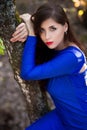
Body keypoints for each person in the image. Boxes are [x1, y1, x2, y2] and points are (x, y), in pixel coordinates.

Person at [10, 2, 87, 130]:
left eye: (53, 29)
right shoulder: (53, 48)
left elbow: (27, 73)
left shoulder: (72, 57)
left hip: (81, 123)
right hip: (62, 115)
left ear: (65, 27)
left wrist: (32, 34)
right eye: (42, 30)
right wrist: (28, 26)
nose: (47, 36)